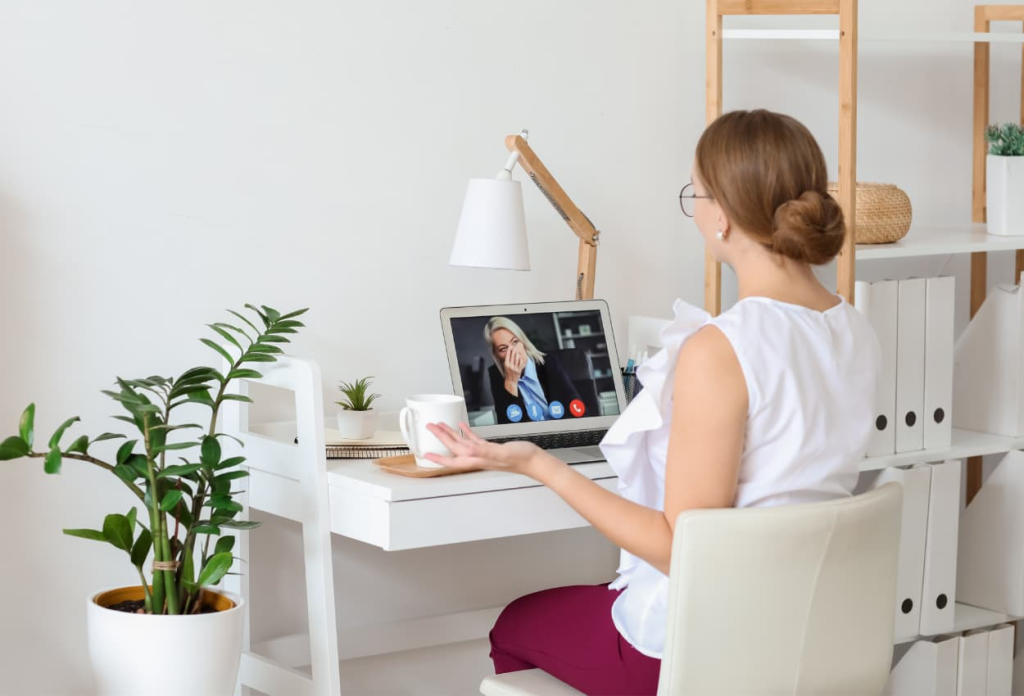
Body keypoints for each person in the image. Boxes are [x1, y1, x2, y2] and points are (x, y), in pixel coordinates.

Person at [425, 109, 881, 696]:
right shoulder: (854, 329)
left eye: (697, 194)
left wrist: (537, 462)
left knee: (516, 624)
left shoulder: (722, 349)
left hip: (698, 651)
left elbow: (679, 550)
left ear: (723, 216)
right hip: (804, 639)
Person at [484, 316, 582, 424]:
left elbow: (579, 411)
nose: (513, 352)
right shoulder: (496, 375)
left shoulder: (549, 363)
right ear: (496, 355)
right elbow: (508, 429)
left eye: (515, 342)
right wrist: (511, 383)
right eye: (503, 349)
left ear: (523, 343)